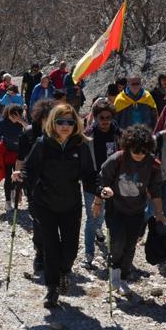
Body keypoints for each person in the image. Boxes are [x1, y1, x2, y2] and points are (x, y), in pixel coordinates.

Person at [21, 103, 97, 308]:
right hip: (44, 204)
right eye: (60, 121)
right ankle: (52, 289)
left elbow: (89, 175)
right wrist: (21, 177)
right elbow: (29, 169)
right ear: (53, 123)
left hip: (70, 204)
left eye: (70, 122)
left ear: (76, 124)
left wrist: (101, 190)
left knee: (70, 249)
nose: (65, 126)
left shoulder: (80, 145)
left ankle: (65, 271)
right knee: (51, 248)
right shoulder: (43, 143)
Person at [92, 125, 164, 293]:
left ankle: (123, 277)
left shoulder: (153, 164)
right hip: (115, 209)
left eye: (143, 151)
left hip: (137, 211)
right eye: (135, 151)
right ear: (128, 146)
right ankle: (114, 271)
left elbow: (155, 191)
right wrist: (99, 200)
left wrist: (159, 213)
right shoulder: (118, 159)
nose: (139, 155)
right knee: (117, 243)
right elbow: (102, 180)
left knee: (130, 246)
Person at [13, 98, 55, 276]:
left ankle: (53, 254)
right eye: (46, 118)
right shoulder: (28, 133)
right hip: (33, 185)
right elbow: (20, 160)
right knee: (38, 221)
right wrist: (18, 184)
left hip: (56, 185)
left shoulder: (61, 132)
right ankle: (40, 253)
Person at [81, 100, 120, 268]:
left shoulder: (118, 134)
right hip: (91, 182)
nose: (105, 120)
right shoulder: (88, 135)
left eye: (108, 117)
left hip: (111, 182)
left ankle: (99, 230)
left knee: (104, 215)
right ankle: (88, 254)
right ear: (95, 117)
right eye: (101, 117)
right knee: (92, 217)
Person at [0, 103, 26, 213]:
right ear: (9, 114)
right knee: (7, 177)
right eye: (13, 116)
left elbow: (31, 130)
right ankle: (7, 202)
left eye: (17, 116)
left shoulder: (22, 122)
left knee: (17, 177)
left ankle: (14, 192)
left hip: (20, 154)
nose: (14, 118)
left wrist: (21, 121)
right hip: (7, 153)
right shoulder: (3, 123)